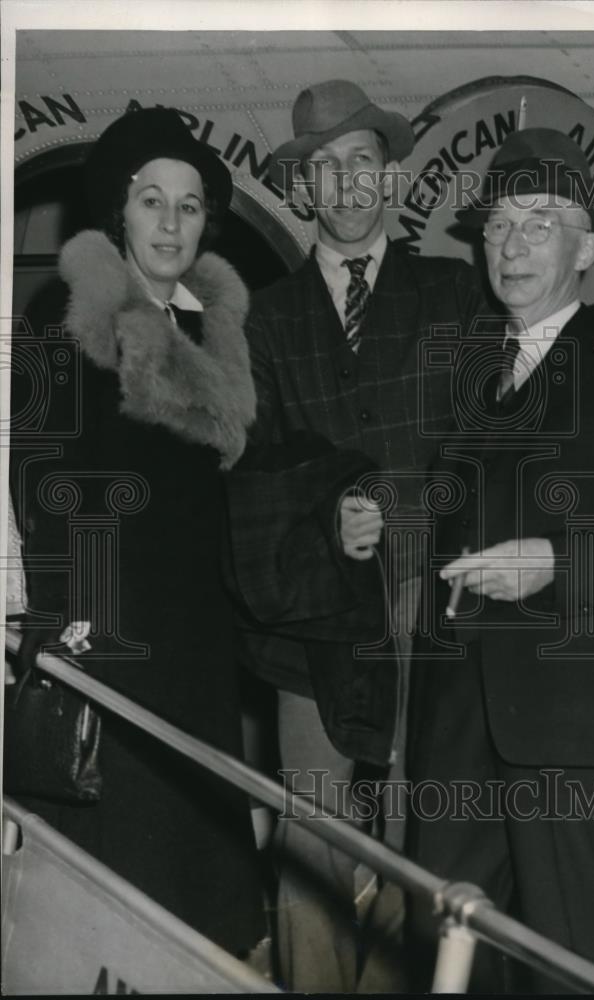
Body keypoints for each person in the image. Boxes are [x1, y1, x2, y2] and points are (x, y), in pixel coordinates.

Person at [225, 80, 594, 992]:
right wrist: (327, 517)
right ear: (303, 190)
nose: (344, 186)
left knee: (419, 850)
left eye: (360, 163)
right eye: (322, 170)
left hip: (440, 627)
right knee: (312, 843)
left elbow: (550, 324)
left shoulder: (459, 290)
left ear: (389, 179)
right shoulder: (261, 320)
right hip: (308, 635)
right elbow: (248, 475)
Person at [405, 128, 594, 992]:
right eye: (500, 225)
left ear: (587, 249)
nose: (511, 245)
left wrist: (558, 564)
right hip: (461, 749)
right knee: (456, 971)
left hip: (590, 747)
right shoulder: (476, 370)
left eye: (541, 224)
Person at [9, 107, 266, 956]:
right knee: (121, 875)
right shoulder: (69, 312)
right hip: (109, 640)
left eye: (189, 206)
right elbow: (40, 475)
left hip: (196, 646)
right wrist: (69, 619)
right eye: (151, 201)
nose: (170, 222)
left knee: (196, 884)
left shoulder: (214, 331)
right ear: (118, 212)